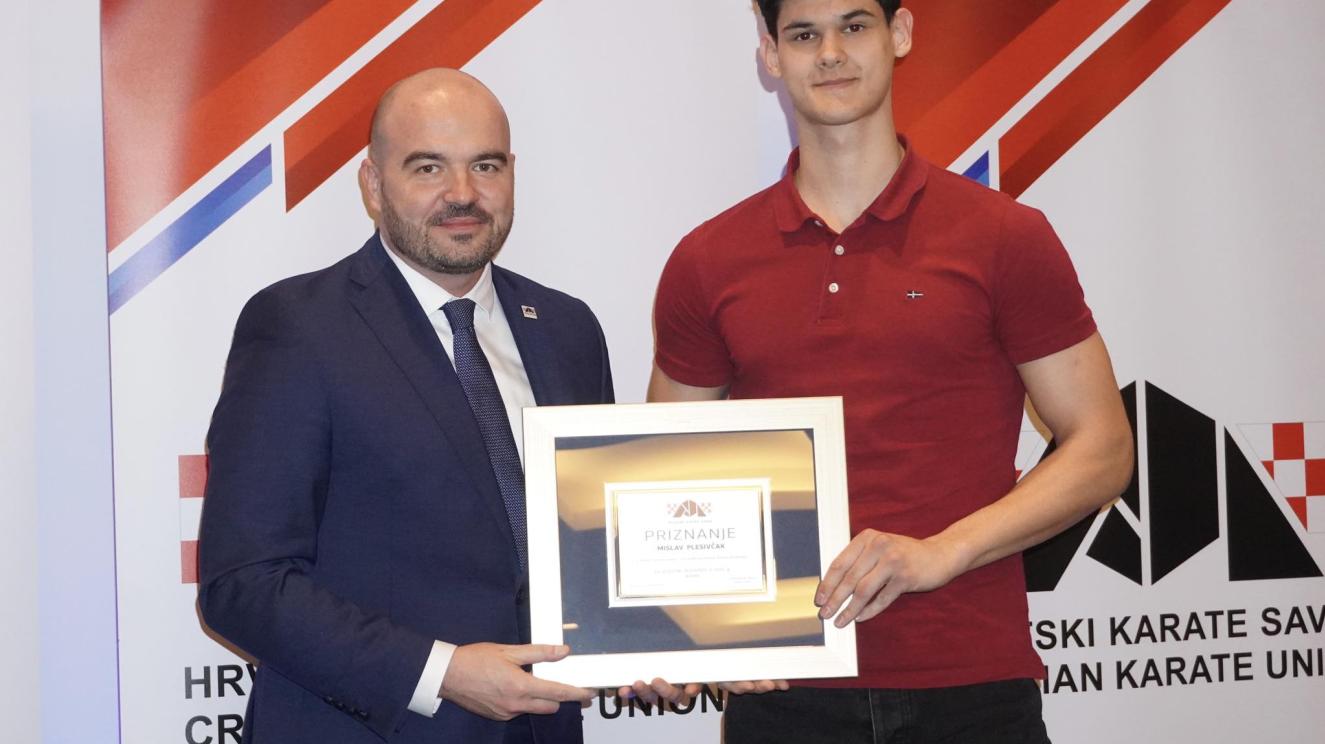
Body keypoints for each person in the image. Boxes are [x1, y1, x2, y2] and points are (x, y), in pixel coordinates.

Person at [648, 1, 1135, 741]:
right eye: (803, 34)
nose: (830, 53)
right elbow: (663, 476)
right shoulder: (706, 260)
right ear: (771, 54)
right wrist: (669, 628)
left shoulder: (1006, 236)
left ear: (900, 34)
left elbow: (1103, 448)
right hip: (783, 690)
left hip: (970, 684)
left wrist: (940, 554)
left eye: (854, 26)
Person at [198, 68, 610, 744]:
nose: (463, 193)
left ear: (512, 174)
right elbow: (244, 583)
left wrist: (656, 645)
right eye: (428, 167)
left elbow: (593, 548)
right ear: (372, 184)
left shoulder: (567, 330)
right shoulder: (298, 327)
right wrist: (440, 672)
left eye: (486, 165)